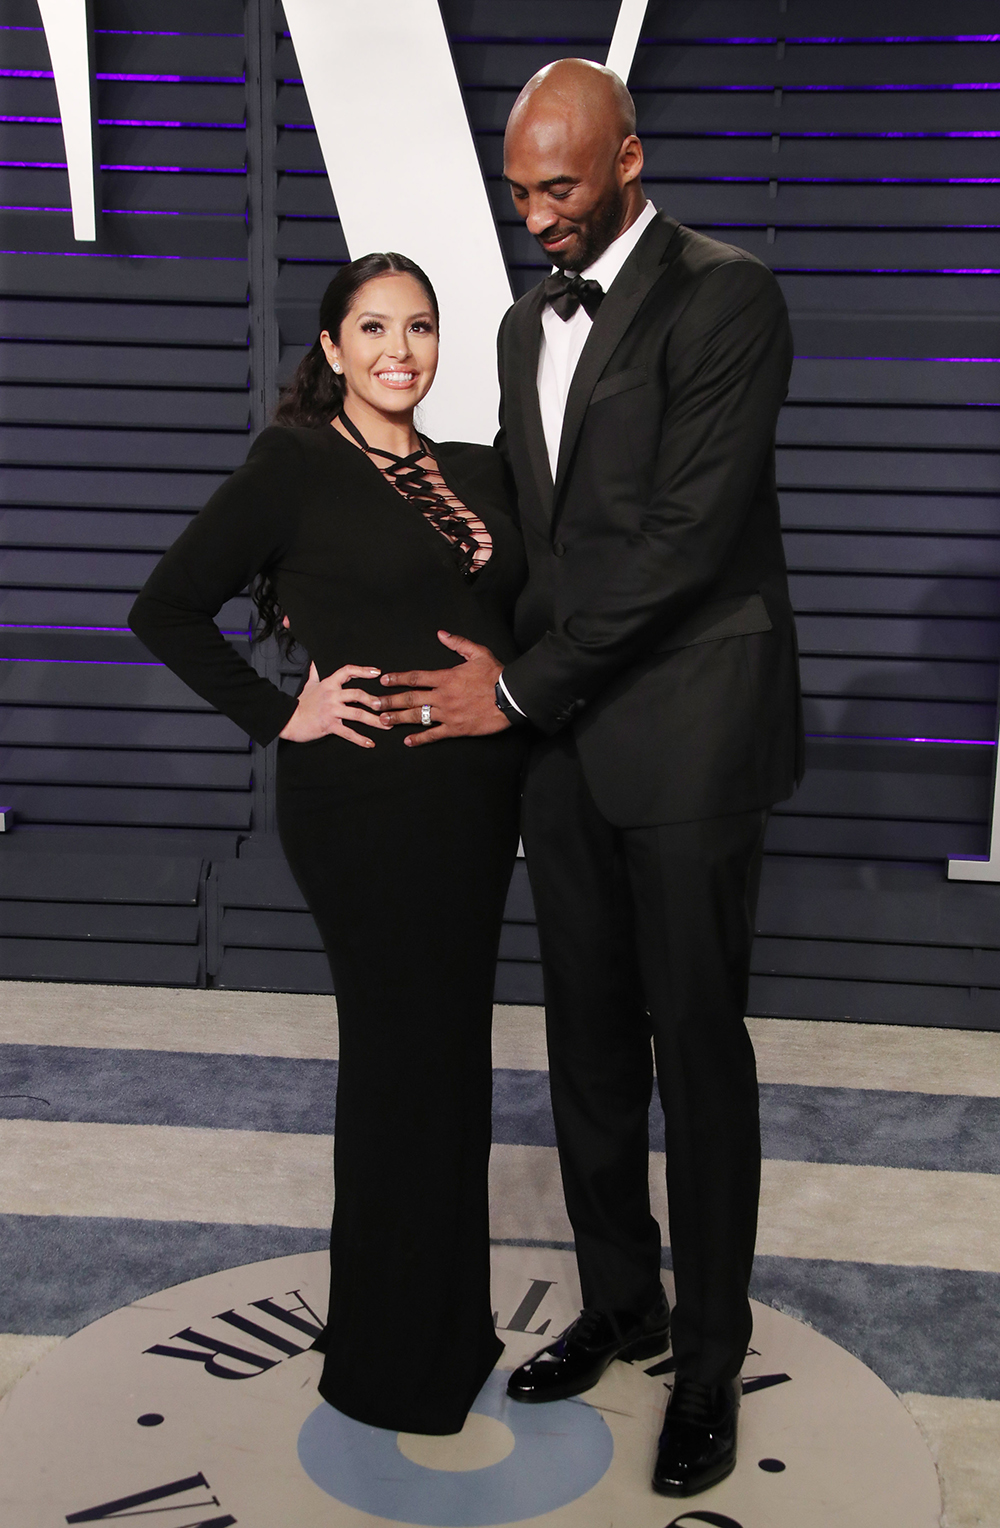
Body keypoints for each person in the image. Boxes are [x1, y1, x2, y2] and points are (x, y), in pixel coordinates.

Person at [373, 61, 803, 1495]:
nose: (536, 214)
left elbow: (684, 543)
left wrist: (512, 690)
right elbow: (535, 533)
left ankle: (712, 1360)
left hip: (686, 732)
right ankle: (623, 1309)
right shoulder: (514, 323)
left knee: (698, 1048)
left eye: (559, 186)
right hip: (562, 746)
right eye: (518, 191)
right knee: (588, 1052)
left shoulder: (727, 295)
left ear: (629, 158)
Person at [129, 252, 527, 1436]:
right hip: (363, 807)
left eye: (419, 327)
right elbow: (166, 605)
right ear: (334, 347)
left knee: (450, 1068)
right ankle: (386, 1364)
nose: (400, 349)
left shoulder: (473, 470)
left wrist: (511, 677)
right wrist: (281, 709)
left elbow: (516, 609)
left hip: (470, 802)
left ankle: (443, 1332)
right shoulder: (296, 462)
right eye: (374, 328)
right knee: (404, 1067)